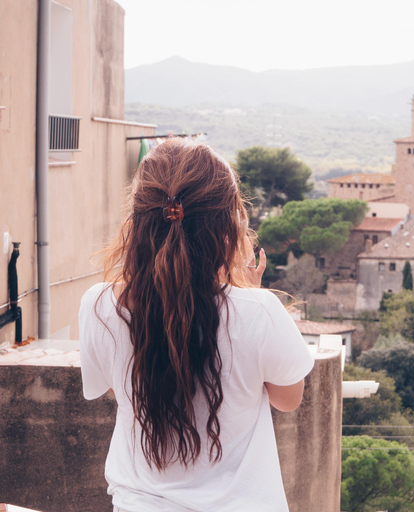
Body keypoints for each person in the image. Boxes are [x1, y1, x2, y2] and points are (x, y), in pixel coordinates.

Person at [79, 138, 314, 511]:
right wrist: (247, 295)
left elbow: (117, 389)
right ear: (227, 223)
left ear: (138, 219)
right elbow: (288, 399)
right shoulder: (261, 311)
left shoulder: (97, 305)